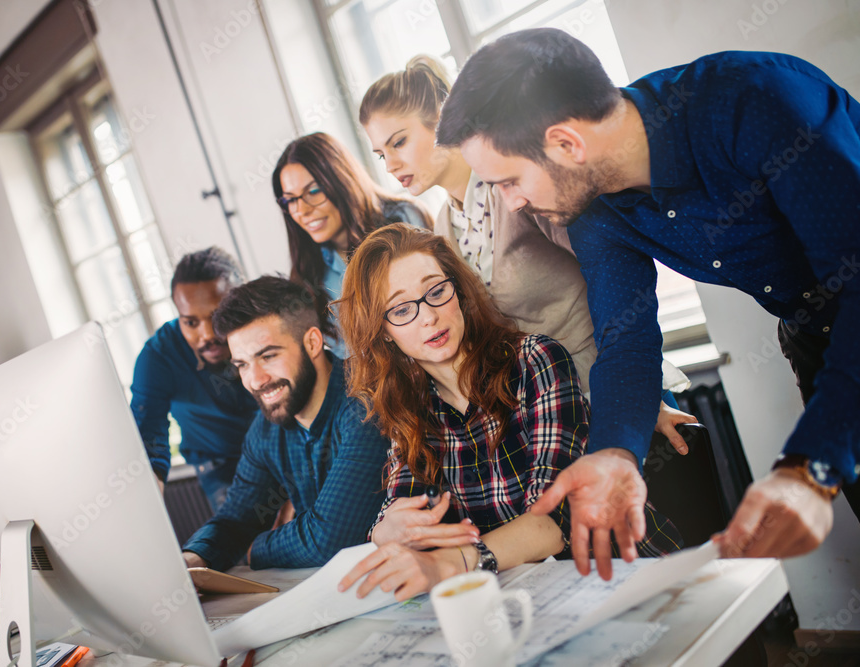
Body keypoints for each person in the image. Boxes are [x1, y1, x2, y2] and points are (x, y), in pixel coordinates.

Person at [436, 28, 860, 576]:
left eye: (510, 181)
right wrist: (615, 451)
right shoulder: (593, 208)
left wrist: (808, 468)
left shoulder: (757, 102)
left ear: (567, 143)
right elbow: (627, 339)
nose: (512, 203)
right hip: (821, 342)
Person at [360, 54, 696, 447]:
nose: (391, 164)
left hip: (616, 390)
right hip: (547, 413)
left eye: (399, 141)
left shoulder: (519, 187)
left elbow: (616, 274)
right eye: (381, 154)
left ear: (441, 119)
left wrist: (639, 397)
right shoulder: (442, 228)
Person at [334, 224, 680, 601]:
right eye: (401, 309)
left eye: (436, 292)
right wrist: (387, 530)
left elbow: (553, 521)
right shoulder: (411, 409)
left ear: (459, 291)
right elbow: (402, 509)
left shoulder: (536, 360)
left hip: (629, 575)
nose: (428, 317)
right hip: (533, 597)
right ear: (383, 331)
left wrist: (450, 563)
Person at [181, 276, 389, 571]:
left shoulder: (365, 401)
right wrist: (193, 560)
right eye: (241, 364)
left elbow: (328, 540)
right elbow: (235, 520)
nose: (255, 380)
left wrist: (255, 549)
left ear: (313, 342)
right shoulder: (266, 430)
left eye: (268, 356)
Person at [272, 132, 431, 358]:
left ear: (342, 181)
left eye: (314, 191)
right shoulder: (310, 273)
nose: (302, 210)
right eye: (291, 199)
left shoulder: (404, 219)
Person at [130, 248, 258, 511]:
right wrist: (148, 504)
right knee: (246, 546)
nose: (208, 334)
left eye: (218, 315)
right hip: (222, 470)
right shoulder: (158, 357)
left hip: (286, 448)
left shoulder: (264, 329)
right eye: (191, 322)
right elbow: (148, 434)